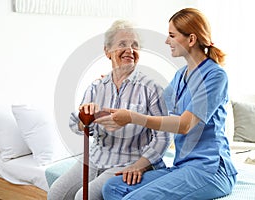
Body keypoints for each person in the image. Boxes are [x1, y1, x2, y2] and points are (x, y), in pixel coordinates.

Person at [96, 8, 238, 200]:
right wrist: (120, 80)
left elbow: (184, 125)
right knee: (112, 187)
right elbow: (151, 104)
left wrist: (132, 117)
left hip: (209, 170)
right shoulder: (181, 76)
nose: (166, 41)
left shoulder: (215, 76)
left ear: (191, 39)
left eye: (172, 35)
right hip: (183, 166)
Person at [47, 20, 171, 200]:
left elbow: (164, 136)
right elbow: (76, 125)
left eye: (134, 45)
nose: (130, 50)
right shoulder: (96, 87)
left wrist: (141, 165)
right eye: (122, 44)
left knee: (85, 196)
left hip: (129, 160)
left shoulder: (151, 88)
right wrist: (84, 119)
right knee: (56, 193)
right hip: (96, 157)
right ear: (107, 51)